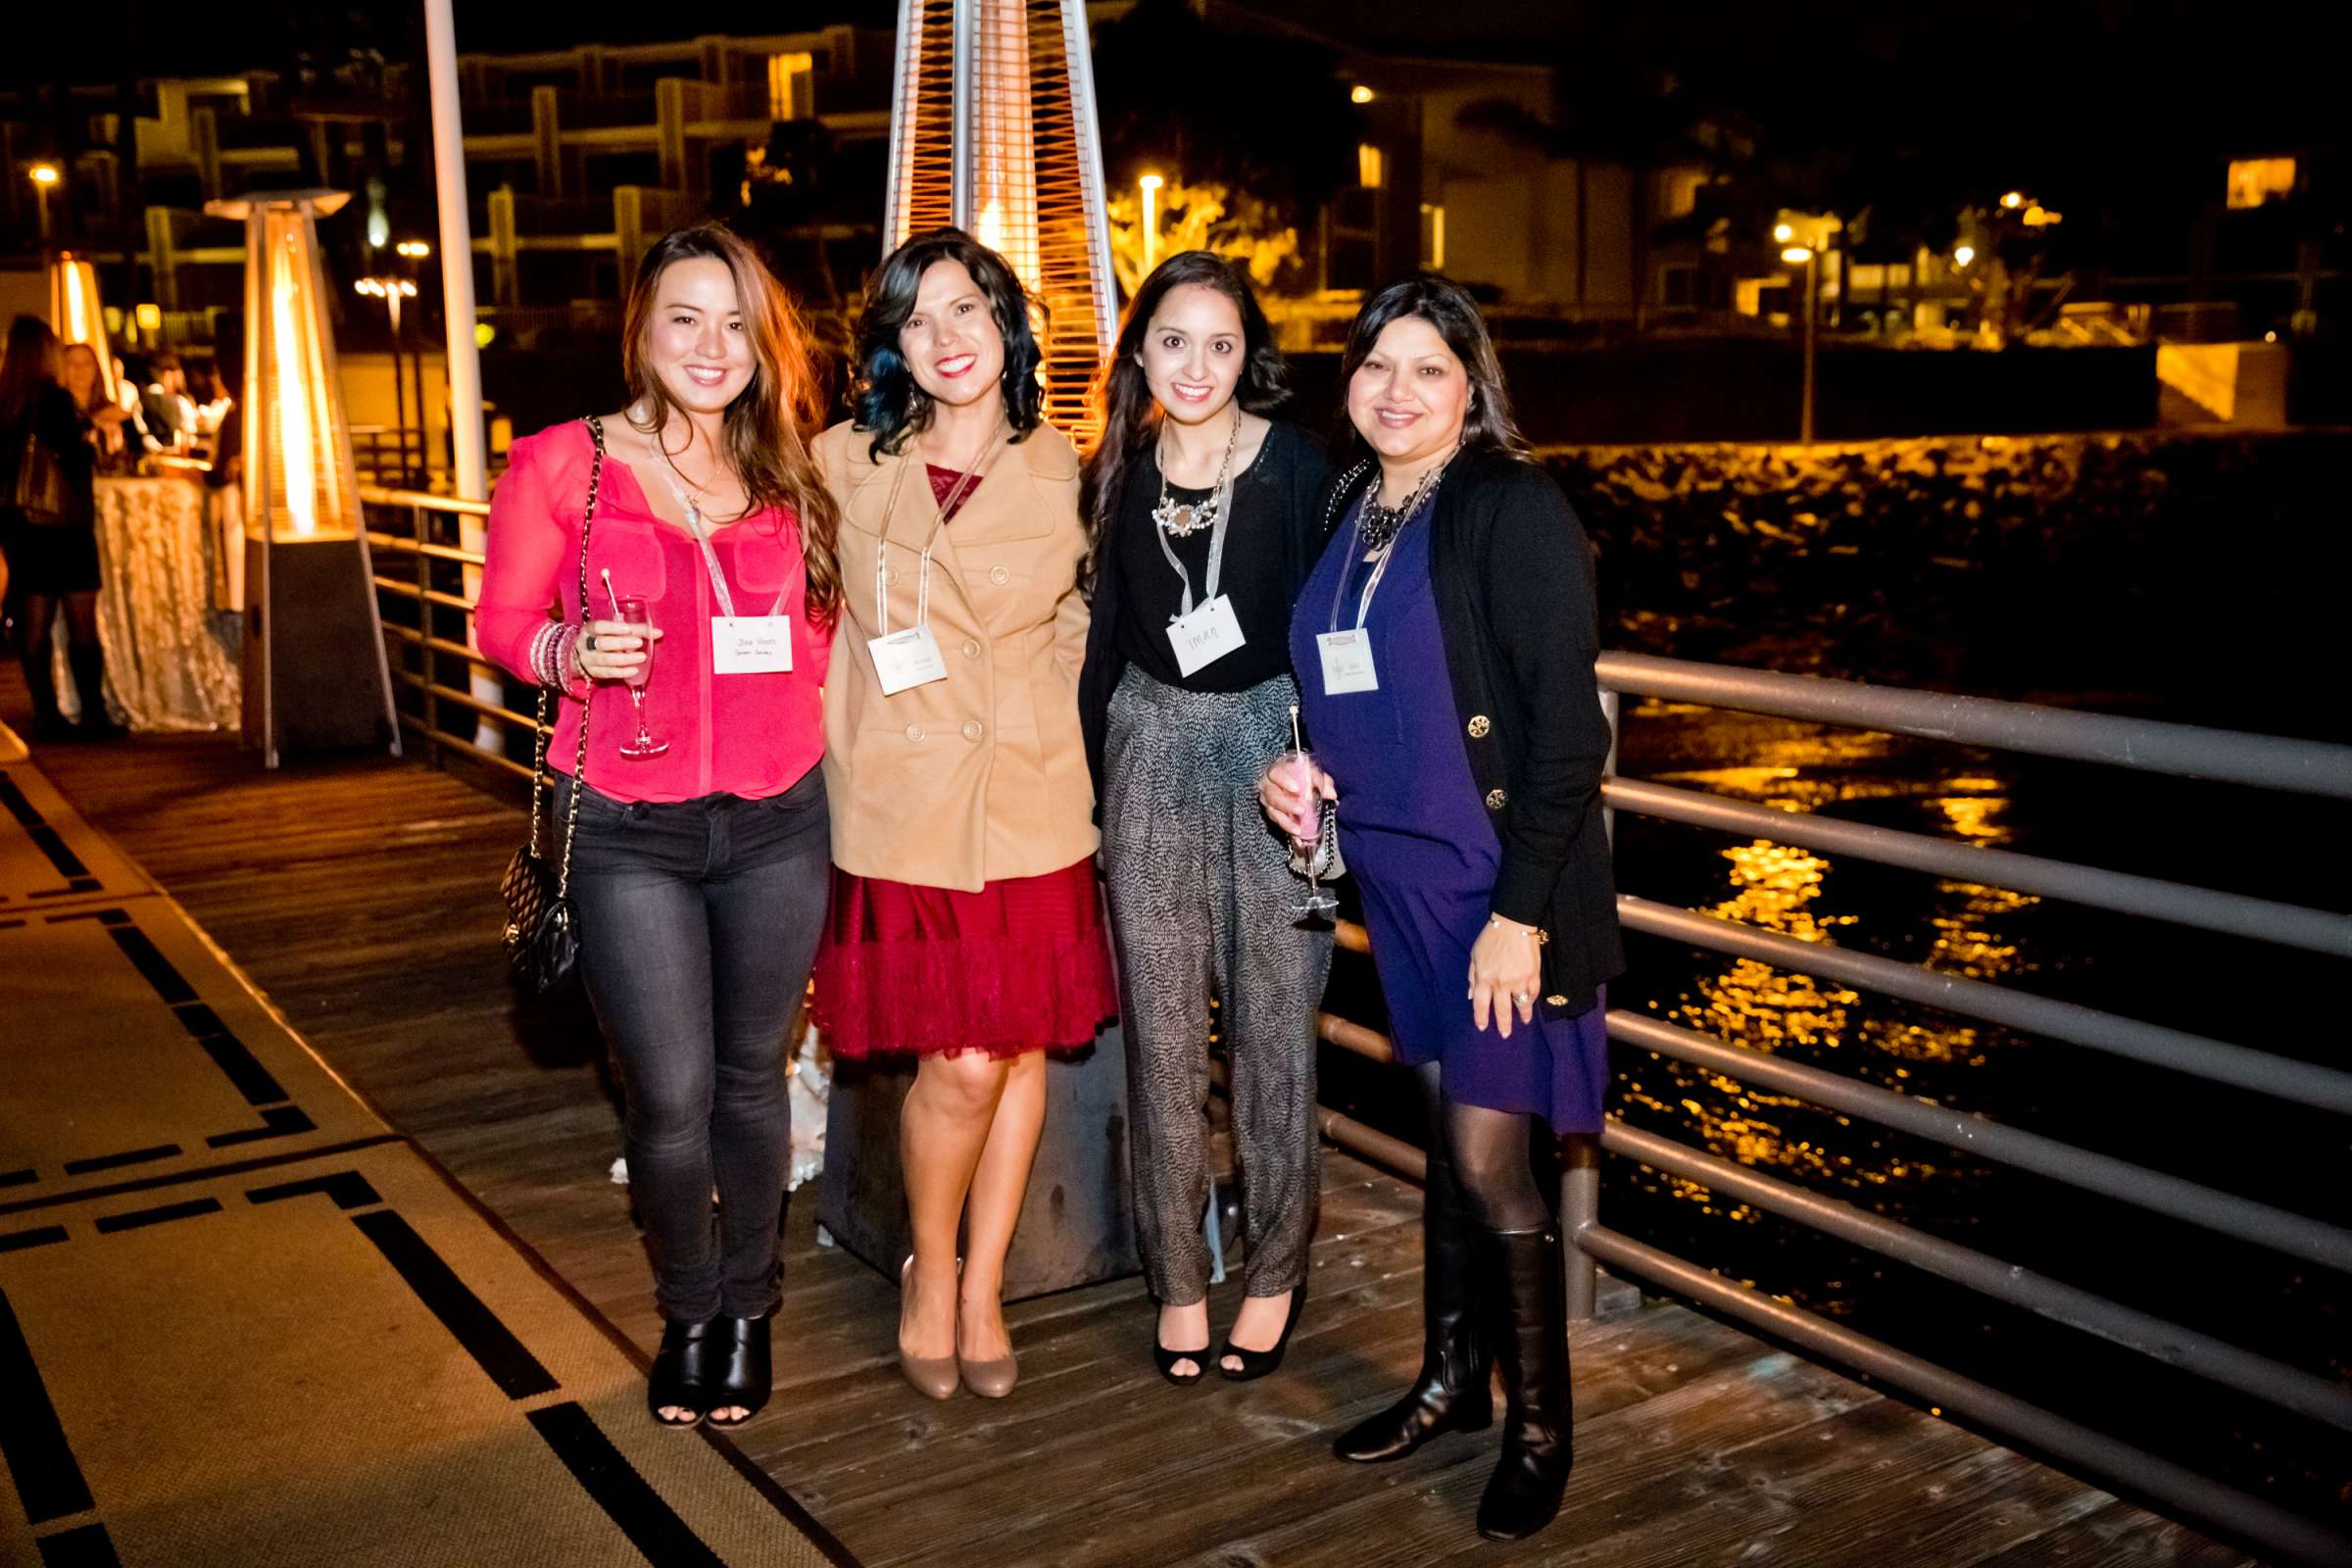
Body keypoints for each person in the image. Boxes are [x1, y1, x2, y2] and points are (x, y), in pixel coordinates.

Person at [1260, 275, 1623, 1542]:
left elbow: (1570, 739)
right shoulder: (1350, 504)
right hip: (1395, 883)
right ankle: (1451, 1384)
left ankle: (1542, 1431)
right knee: (1444, 1149)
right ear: (1349, 379)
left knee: (1488, 1160)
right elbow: (1344, 687)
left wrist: (1519, 916)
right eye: (1377, 366)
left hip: (1489, 894)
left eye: (1429, 368)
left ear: (1472, 387)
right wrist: (1299, 771)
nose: (1397, 391)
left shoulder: (1509, 509)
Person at [477, 223, 840, 1431]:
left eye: (738, 323)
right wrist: (568, 652)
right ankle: (690, 1307)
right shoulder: (561, 464)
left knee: (754, 1081)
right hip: (628, 827)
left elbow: (821, 636)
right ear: (641, 327)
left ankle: (751, 1304)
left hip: (780, 818)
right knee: (671, 1093)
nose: (713, 345)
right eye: (687, 317)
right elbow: (503, 624)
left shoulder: (793, 468)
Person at [809, 226, 1116, 1402]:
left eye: (969, 311)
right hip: (905, 803)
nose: (947, 339)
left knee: (1018, 1042)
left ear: (1008, 326)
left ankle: (983, 1282)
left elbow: (1089, 626)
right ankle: (928, 1271)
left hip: (1033, 798)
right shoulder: (844, 461)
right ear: (892, 343)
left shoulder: (1065, 465)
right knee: (963, 1057)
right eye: (918, 318)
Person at [1076, 251, 1332, 1384]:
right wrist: (1094, 791)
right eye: (1174, 340)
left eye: (1221, 344)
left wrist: (1328, 769)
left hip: (1274, 747)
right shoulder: (1117, 472)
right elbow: (1101, 641)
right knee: (1166, 1036)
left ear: (1249, 356)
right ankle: (1177, 1277)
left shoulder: (1301, 470)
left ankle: (1275, 1272)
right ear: (1140, 350)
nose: (1195, 365)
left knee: (1277, 1032)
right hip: (1150, 740)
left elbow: (1337, 638)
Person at [0, 317, 113, 740]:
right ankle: (93, 713)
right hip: (65, 526)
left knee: (35, 622)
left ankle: (46, 715)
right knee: (82, 623)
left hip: (22, 528)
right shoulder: (56, 401)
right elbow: (76, 458)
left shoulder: (5, 402)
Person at [60, 344, 135, 473]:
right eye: (71, 362)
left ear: (97, 369)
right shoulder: (55, 415)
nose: (80, 368)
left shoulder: (113, 412)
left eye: (87, 363)